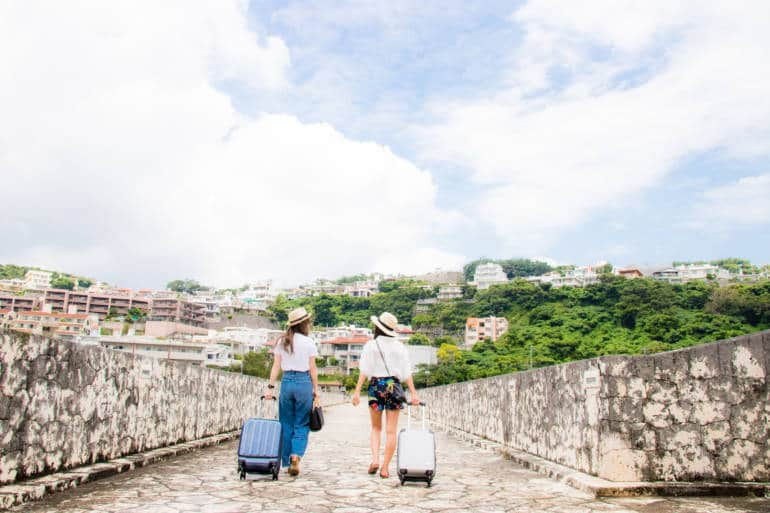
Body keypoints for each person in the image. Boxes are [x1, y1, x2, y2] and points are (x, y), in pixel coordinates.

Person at [352, 312, 420, 478]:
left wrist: (356, 391)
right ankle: (385, 468)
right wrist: (413, 393)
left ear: (378, 327)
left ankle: (375, 459)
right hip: (393, 387)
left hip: (376, 386)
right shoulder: (400, 347)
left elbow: (365, 370)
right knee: (391, 431)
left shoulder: (371, 345)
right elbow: (406, 373)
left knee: (376, 428)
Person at [264, 307, 319, 477]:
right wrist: (316, 391)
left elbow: (276, 367)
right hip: (304, 383)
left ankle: (287, 461)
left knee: (286, 423)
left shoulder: (282, 342)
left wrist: (270, 388)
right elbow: (312, 369)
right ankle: (296, 455)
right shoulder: (309, 342)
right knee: (302, 423)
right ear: (304, 324)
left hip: (287, 382)